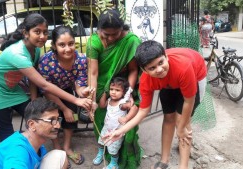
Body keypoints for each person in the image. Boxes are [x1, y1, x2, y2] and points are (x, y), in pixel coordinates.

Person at [0, 13, 92, 142]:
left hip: (12, 88)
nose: (42, 36)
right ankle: (13, 158)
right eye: (37, 32)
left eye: (45, 32)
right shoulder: (17, 53)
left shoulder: (36, 50)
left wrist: (33, 100)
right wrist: (76, 100)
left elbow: (33, 78)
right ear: (25, 33)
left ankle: (34, 150)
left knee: (36, 118)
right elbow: (44, 85)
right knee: (7, 133)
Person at [104, 40, 207, 169]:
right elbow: (143, 111)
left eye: (161, 62)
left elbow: (188, 101)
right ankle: (164, 161)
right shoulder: (147, 80)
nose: (159, 69)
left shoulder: (184, 67)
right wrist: (121, 131)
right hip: (169, 82)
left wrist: (180, 129)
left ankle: (183, 166)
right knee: (169, 118)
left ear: (166, 57)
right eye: (152, 68)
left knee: (183, 123)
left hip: (194, 72)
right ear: (144, 70)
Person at [86, 9, 141, 169]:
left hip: (121, 88)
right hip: (101, 88)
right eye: (105, 34)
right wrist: (92, 98)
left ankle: (119, 159)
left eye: (114, 34)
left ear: (122, 29)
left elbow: (133, 70)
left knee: (122, 126)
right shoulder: (94, 42)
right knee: (101, 122)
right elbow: (93, 73)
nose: (110, 39)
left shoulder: (130, 41)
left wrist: (127, 94)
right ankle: (102, 151)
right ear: (99, 30)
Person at [38, 25, 91, 166]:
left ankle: (67, 147)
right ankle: (57, 146)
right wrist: (64, 108)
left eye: (71, 43)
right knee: (52, 119)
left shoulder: (81, 60)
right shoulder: (46, 61)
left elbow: (79, 86)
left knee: (72, 117)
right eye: (62, 45)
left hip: (67, 90)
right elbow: (48, 90)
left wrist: (84, 93)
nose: (67, 49)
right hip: (49, 92)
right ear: (54, 46)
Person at [0, 98, 68, 169]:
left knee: (59, 155)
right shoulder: (18, 151)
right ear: (32, 125)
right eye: (51, 120)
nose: (58, 125)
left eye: (57, 119)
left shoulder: (37, 143)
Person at [93, 77, 137, 169]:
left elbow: (134, 108)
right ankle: (100, 154)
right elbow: (101, 105)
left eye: (117, 90)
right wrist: (105, 92)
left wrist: (126, 118)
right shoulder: (109, 101)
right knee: (101, 142)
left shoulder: (122, 104)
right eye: (111, 89)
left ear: (123, 92)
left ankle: (114, 163)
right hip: (106, 128)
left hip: (117, 131)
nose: (113, 92)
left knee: (113, 150)